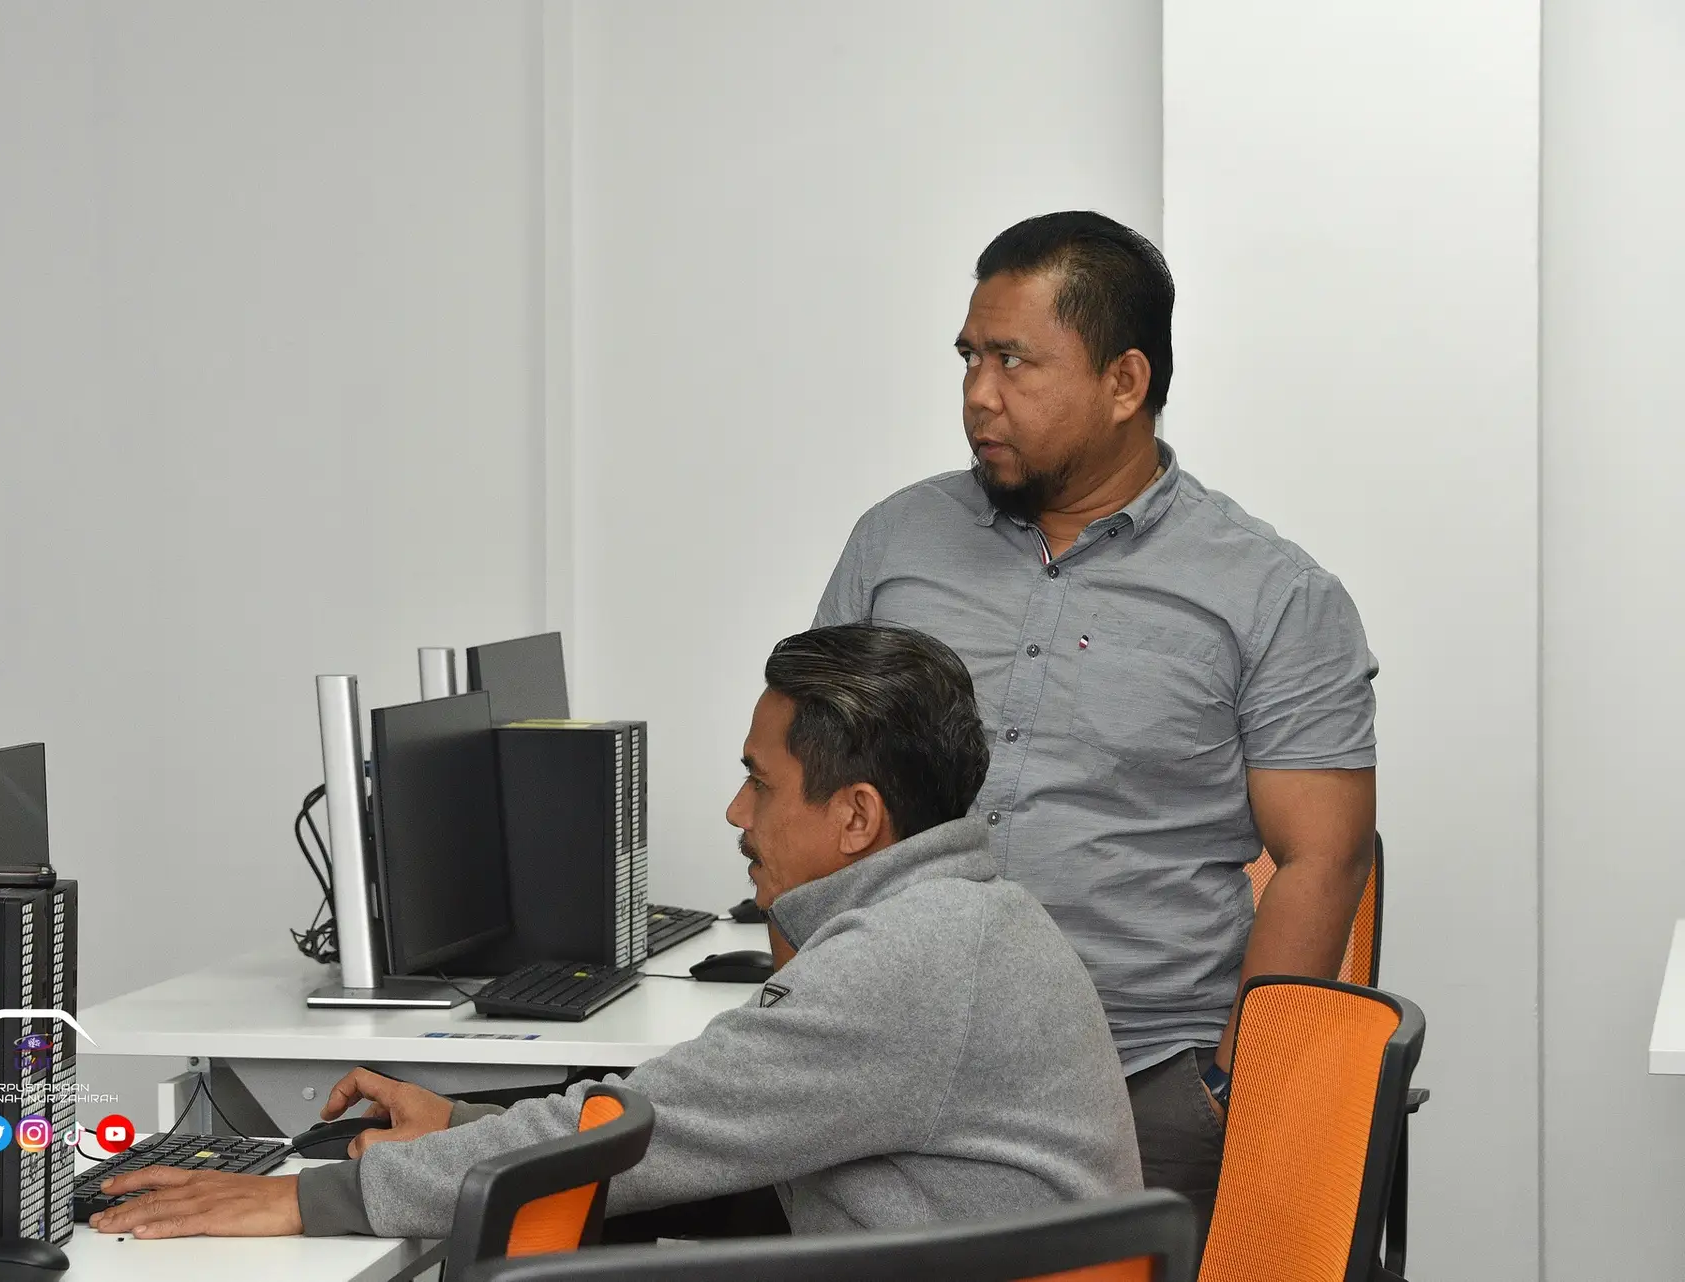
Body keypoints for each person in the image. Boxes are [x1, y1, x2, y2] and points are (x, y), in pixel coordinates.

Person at [88, 623, 1141, 1239]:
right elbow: (677, 1122)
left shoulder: (912, 959)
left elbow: (654, 1131)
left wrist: (314, 1202)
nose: (735, 813)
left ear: (858, 816)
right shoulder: (960, 921)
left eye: (760, 783)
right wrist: (460, 1125)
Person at [813, 211, 1377, 1227]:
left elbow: (1323, 859)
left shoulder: (1273, 595)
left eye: (1015, 361)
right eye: (970, 357)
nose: (979, 394)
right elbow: (807, 786)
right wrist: (805, 1002)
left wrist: (1236, 1089)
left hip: (1141, 1082)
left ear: (1125, 382)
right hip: (885, 1065)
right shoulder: (897, 544)